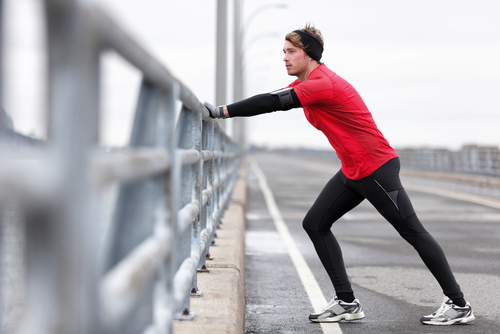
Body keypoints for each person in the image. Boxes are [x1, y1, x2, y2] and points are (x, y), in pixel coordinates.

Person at [204, 23, 474, 326]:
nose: (284, 58)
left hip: (376, 168)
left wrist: (221, 112)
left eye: (291, 52)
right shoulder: (305, 84)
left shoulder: (322, 84)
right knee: (315, 223)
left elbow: (272, 103)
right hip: (353, 169)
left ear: (310, 56)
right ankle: (346, 302)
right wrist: (224, 110)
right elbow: (273, 96)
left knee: (413, 232)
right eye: (283, 52)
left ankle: (459, 304)